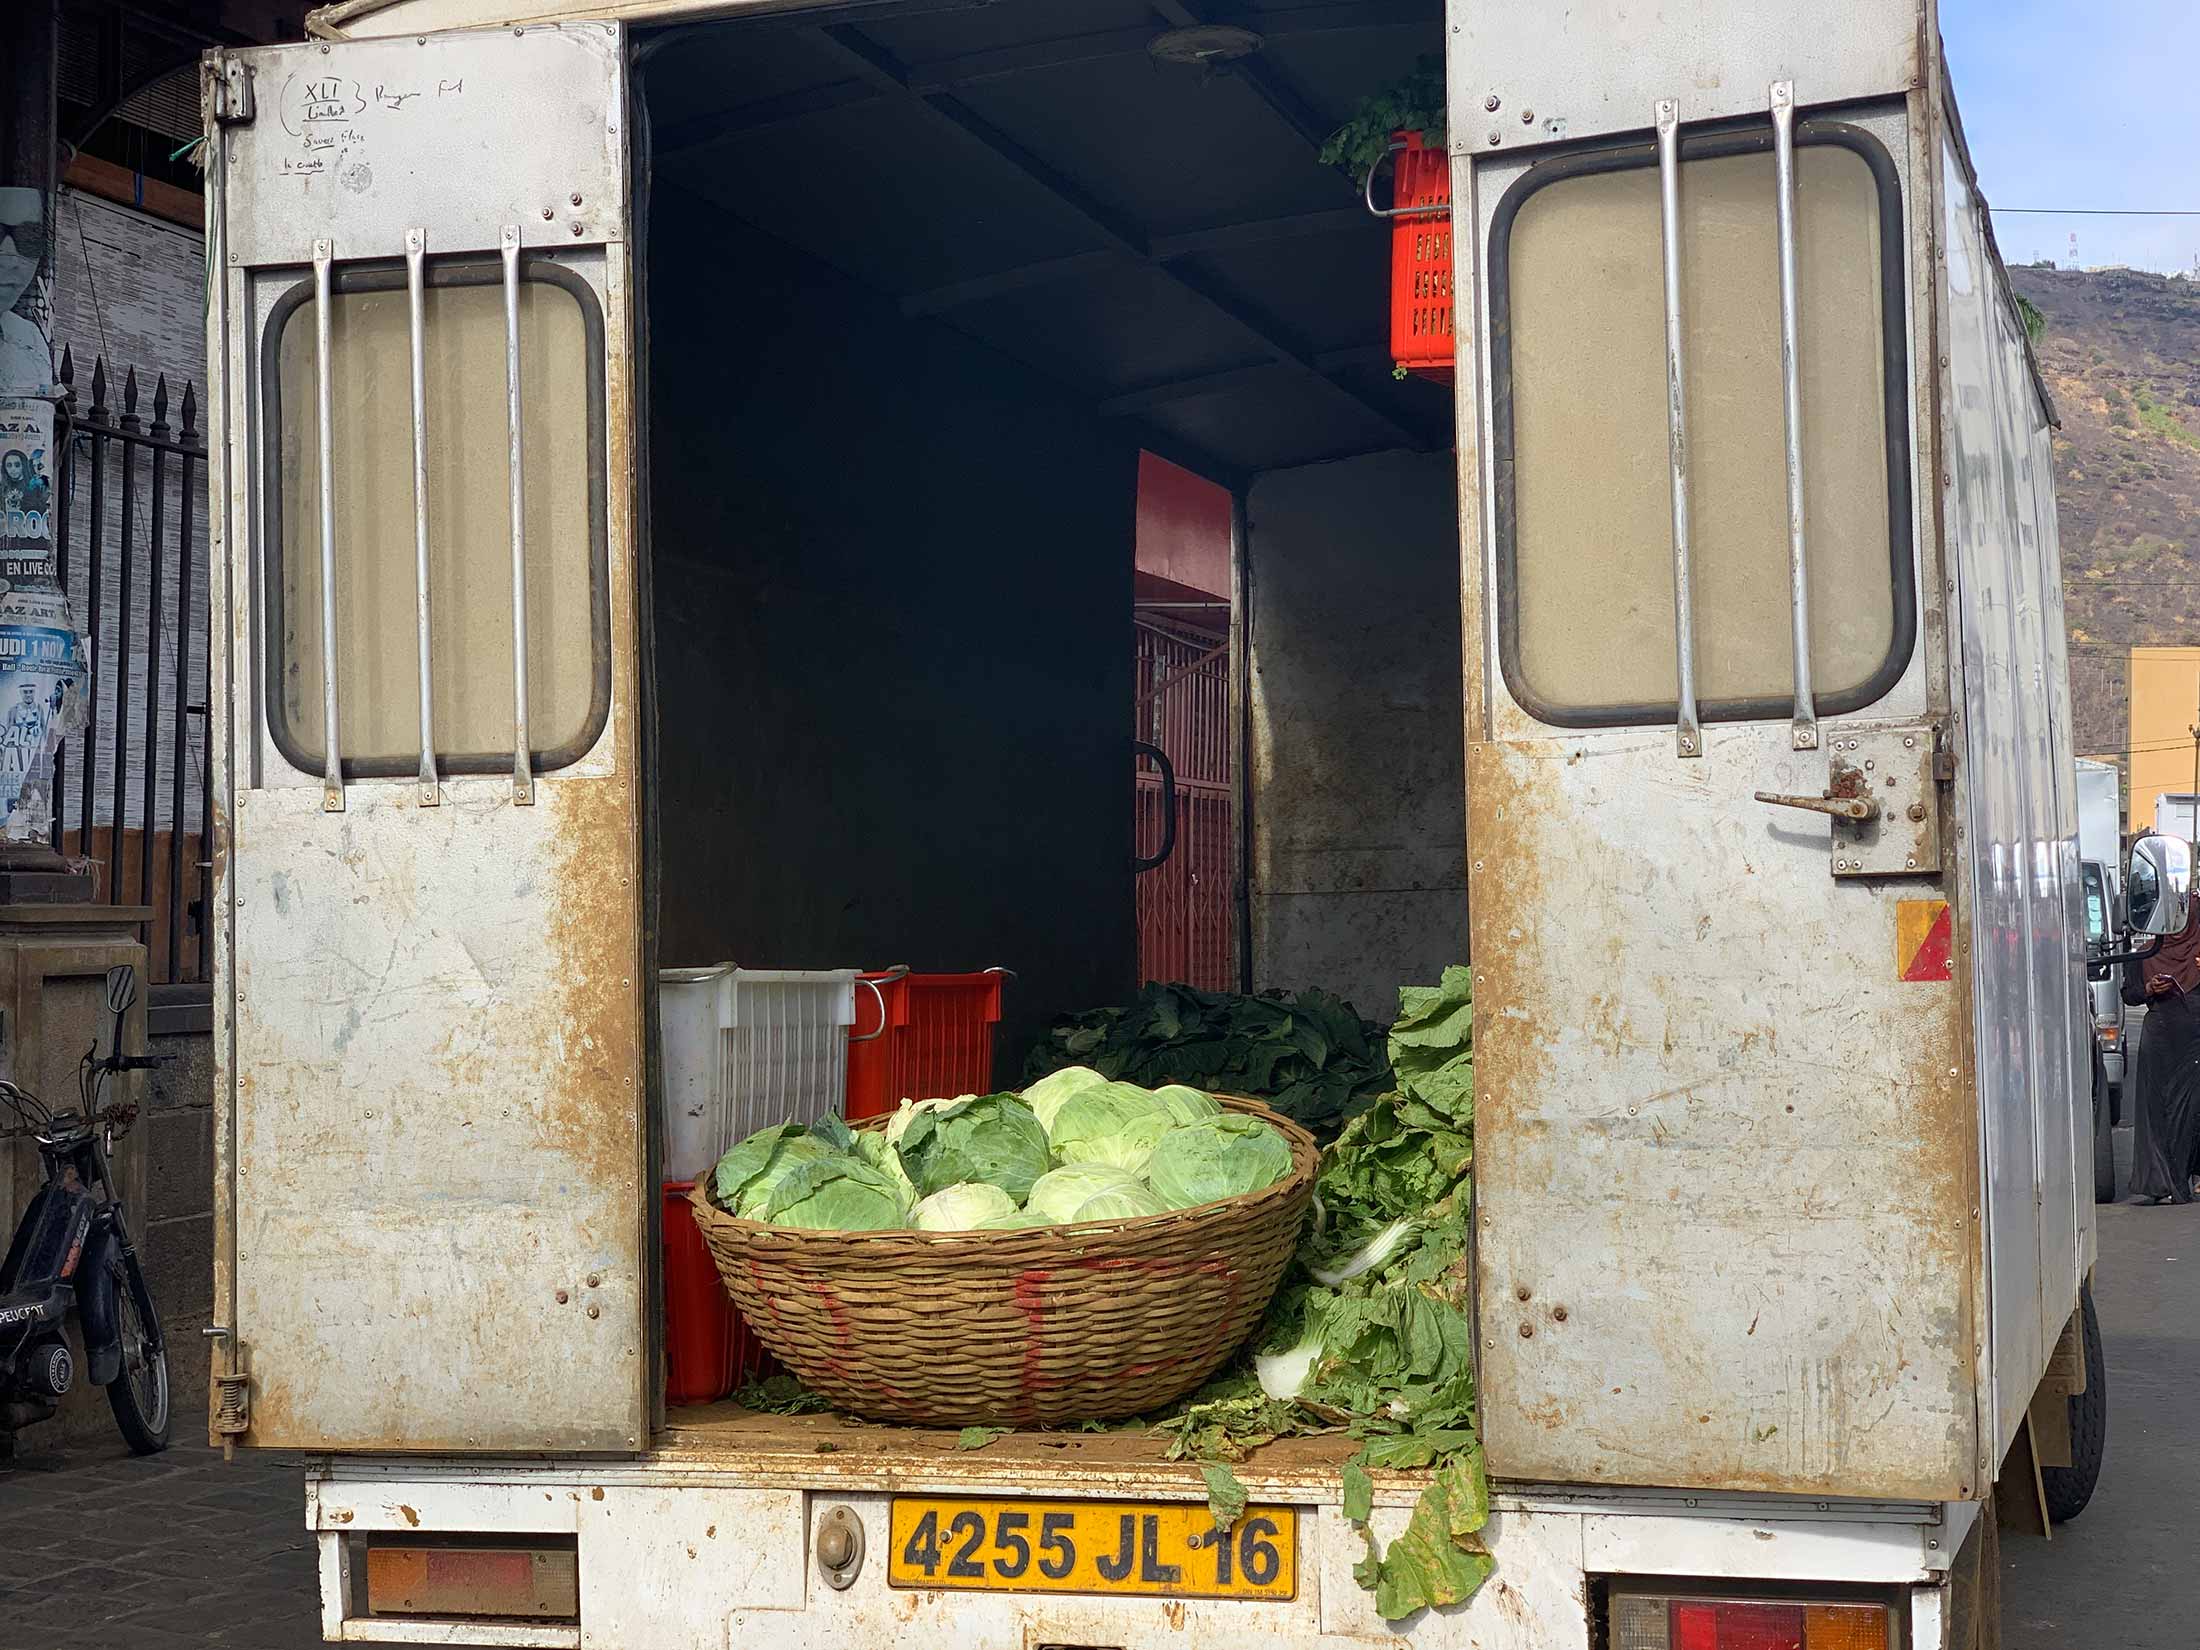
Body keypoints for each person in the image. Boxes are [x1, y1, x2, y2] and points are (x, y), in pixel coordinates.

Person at [2123, 869, 2200, 1205]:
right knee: (2156, 1109)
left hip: (2194, 1037)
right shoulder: (2149, 942)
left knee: (2192, 1108)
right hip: (2160, 1033)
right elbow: (2130, 993)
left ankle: (2186, 1179)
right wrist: (2149, 988)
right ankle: (2159, 1183)